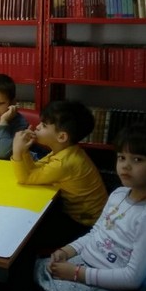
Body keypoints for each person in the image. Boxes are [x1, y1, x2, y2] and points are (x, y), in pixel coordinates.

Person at [35, 123, 146, 291]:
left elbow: (133, 278)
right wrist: (66, 251)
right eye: (121, 157)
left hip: (105, 287)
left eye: (138, 159)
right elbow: (96, 232)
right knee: (30, 270)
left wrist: (77, 274)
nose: (125, 165)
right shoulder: (119, 193)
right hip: (82, 264)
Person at [11, 100, 108, 247]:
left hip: (85, 223)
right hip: (82, 212)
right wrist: (24, 151)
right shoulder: (65, 151)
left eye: (44, 125)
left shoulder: (65, 163)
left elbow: (26, 178)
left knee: (29, 235)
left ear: (62, 137)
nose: (37, 127)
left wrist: (17, 151)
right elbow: (35, 170)